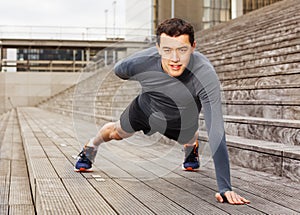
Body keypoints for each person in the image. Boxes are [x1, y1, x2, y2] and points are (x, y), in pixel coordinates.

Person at [75, 18, 250, 205]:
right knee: (116, 132)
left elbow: (216, 130)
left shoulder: (205, 74)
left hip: (182, 118)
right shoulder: (142, 62)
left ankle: (191, 148)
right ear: (158, 48)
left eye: (182, 50)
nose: (174, 59)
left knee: (188, 134)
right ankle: (91, 147)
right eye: (167, 50)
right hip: (145, 109)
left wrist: (225, 188)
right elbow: (119, 70)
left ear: (193, 47)